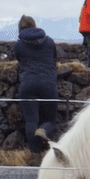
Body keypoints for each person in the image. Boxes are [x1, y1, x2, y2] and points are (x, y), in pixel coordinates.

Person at [13, 15, 59, 155]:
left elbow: (19, 60)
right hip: (48, 83)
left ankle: (34, 154)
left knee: (31, 120)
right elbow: (54, 59)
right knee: (51, 120)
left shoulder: (19, 44)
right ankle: (44, 130)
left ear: (20, 28)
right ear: (34, 25)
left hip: (27, 84)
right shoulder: (49, 41)